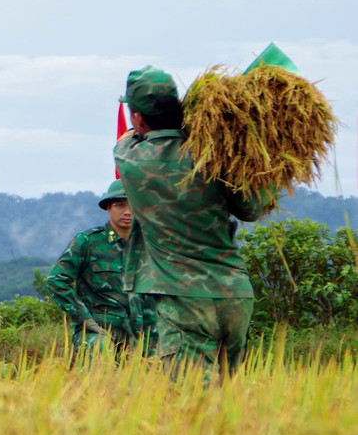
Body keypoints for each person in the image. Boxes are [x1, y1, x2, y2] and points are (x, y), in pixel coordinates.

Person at [113, 65, 273, 381]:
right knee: (226, 395)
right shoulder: (215, 154)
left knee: (191, 398)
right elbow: (252, 209)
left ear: (138, 117)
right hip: (234, 293)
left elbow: (126, 139)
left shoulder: (131, 159)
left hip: (183, 297)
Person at [43, 179, 155, 357]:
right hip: (99, 333)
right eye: (120, 205)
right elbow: (56, 281)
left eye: (133, 205)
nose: (127, 211)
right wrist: (85, 319)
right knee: (102, 350)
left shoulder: (151, 246)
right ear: (108, 208)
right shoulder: (88, 242)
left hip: (143, 335)